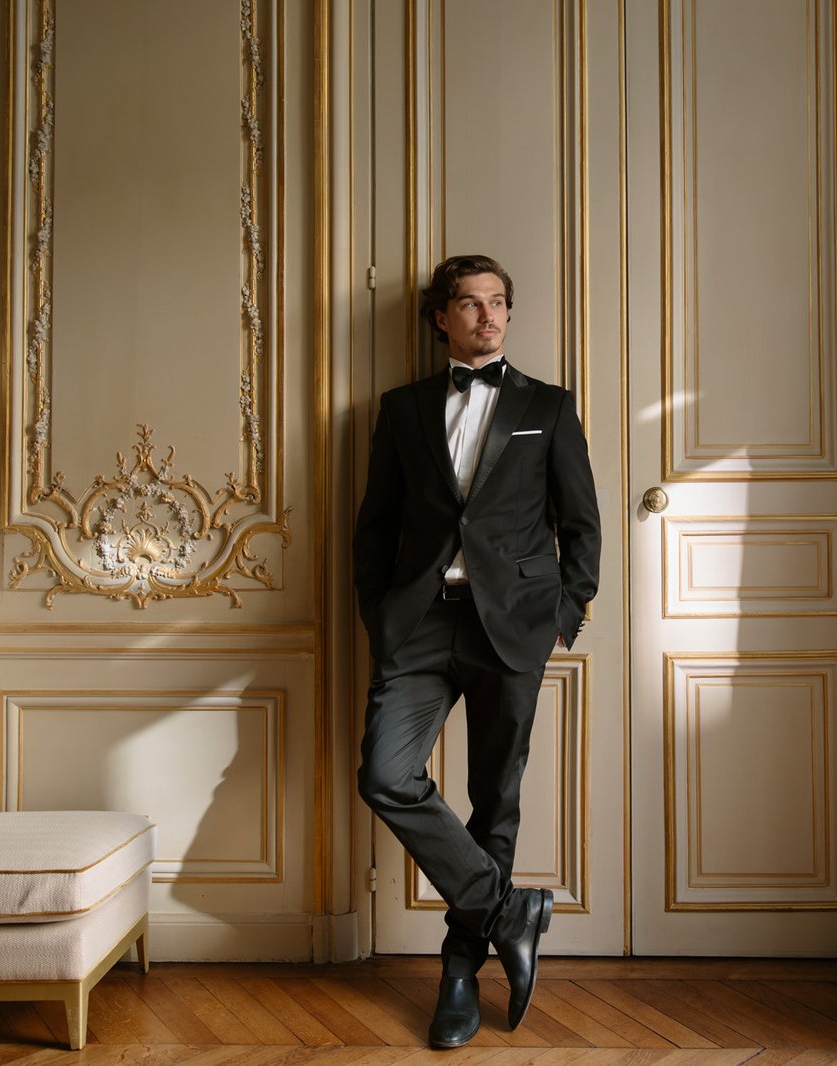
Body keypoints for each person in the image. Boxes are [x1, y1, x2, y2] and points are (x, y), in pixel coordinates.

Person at [354, 254, 601, 1048]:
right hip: (421, 623)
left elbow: (581, 522)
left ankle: (459, 975)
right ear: (441, 318)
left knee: (496, 800)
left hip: (514, 624)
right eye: (469, 304)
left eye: (499, 303)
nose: (488, 318)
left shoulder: (548, 407)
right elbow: (374, 525)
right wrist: (379, 616)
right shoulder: (401, 409)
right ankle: (507, 911)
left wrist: (566, 613)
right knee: (385, 775)